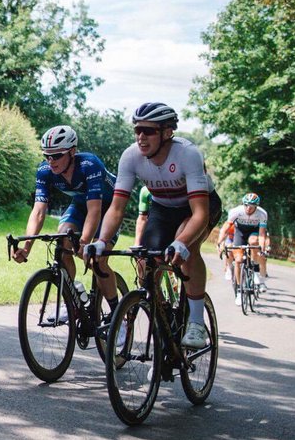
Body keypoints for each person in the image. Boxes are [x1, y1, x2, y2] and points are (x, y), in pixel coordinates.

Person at [85, 102, 223, 349]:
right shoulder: (131, 156)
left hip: (199, 207)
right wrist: (101, 241)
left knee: (187, 249)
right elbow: (116, 208)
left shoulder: (188, 154)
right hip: (163, 207)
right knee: (145, 261)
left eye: (148, 131)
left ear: (167, 132)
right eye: (137, 130)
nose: (141, 137)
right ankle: (164, 322)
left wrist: (181, 243)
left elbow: (200, 214)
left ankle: (195, 321)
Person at [12, 125, 120, 329]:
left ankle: (117, 316)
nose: (51, 161)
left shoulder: (89, 164)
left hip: (108, 207)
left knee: (98, 258)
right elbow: (38, 211)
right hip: (80, 205)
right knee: (62, 241)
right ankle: (71, 296)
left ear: (72, 151)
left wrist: (85, 242)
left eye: (57, 155)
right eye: (47, 156)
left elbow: (95, 210)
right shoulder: (45, 171)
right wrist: (26, 248)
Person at [220, 193, 270, 302]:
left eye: (251, 206)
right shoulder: (236, 211)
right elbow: (226, 227)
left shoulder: (262, 214)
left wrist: (261, 248)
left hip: (254, 231)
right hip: (240, 232)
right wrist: (220, 241)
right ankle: (239, 291)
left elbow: (262, 234)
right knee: (238, 260)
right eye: (246, 205)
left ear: (256, 207)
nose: (248, 208)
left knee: (254, 241)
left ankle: (255, 270)